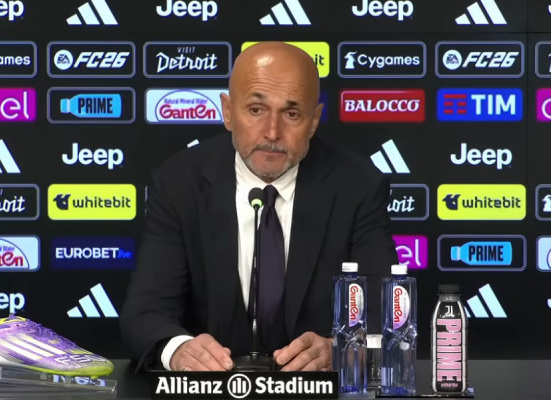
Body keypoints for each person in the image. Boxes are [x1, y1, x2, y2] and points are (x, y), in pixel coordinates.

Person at [120, 42, 398, 372]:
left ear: (313, 121)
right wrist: (179, 349)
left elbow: (386, 314)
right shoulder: (179, 184)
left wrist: (341, 348)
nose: (272, 132)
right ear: (227, 112)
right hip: (212, 390)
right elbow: (146, 313)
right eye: (256, 110)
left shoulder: (358, 186)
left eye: (292, 114)